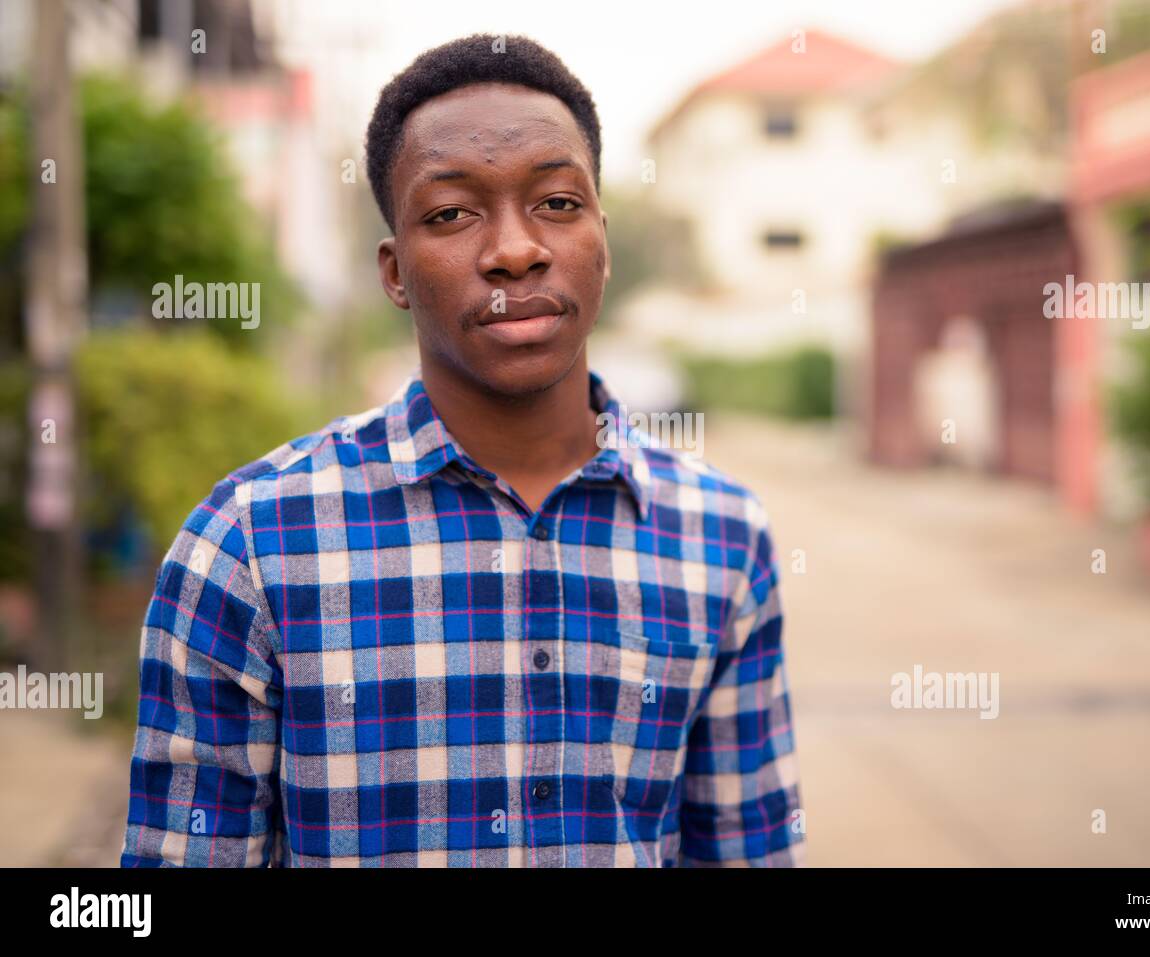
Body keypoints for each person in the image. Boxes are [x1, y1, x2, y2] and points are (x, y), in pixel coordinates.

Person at [120, 33, 805, 867]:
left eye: (558, 202)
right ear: (395, 272)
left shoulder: (722, 537)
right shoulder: (248, 546)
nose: (516, 249)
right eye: (450, 213)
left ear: (602, 240)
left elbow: (748, 849)